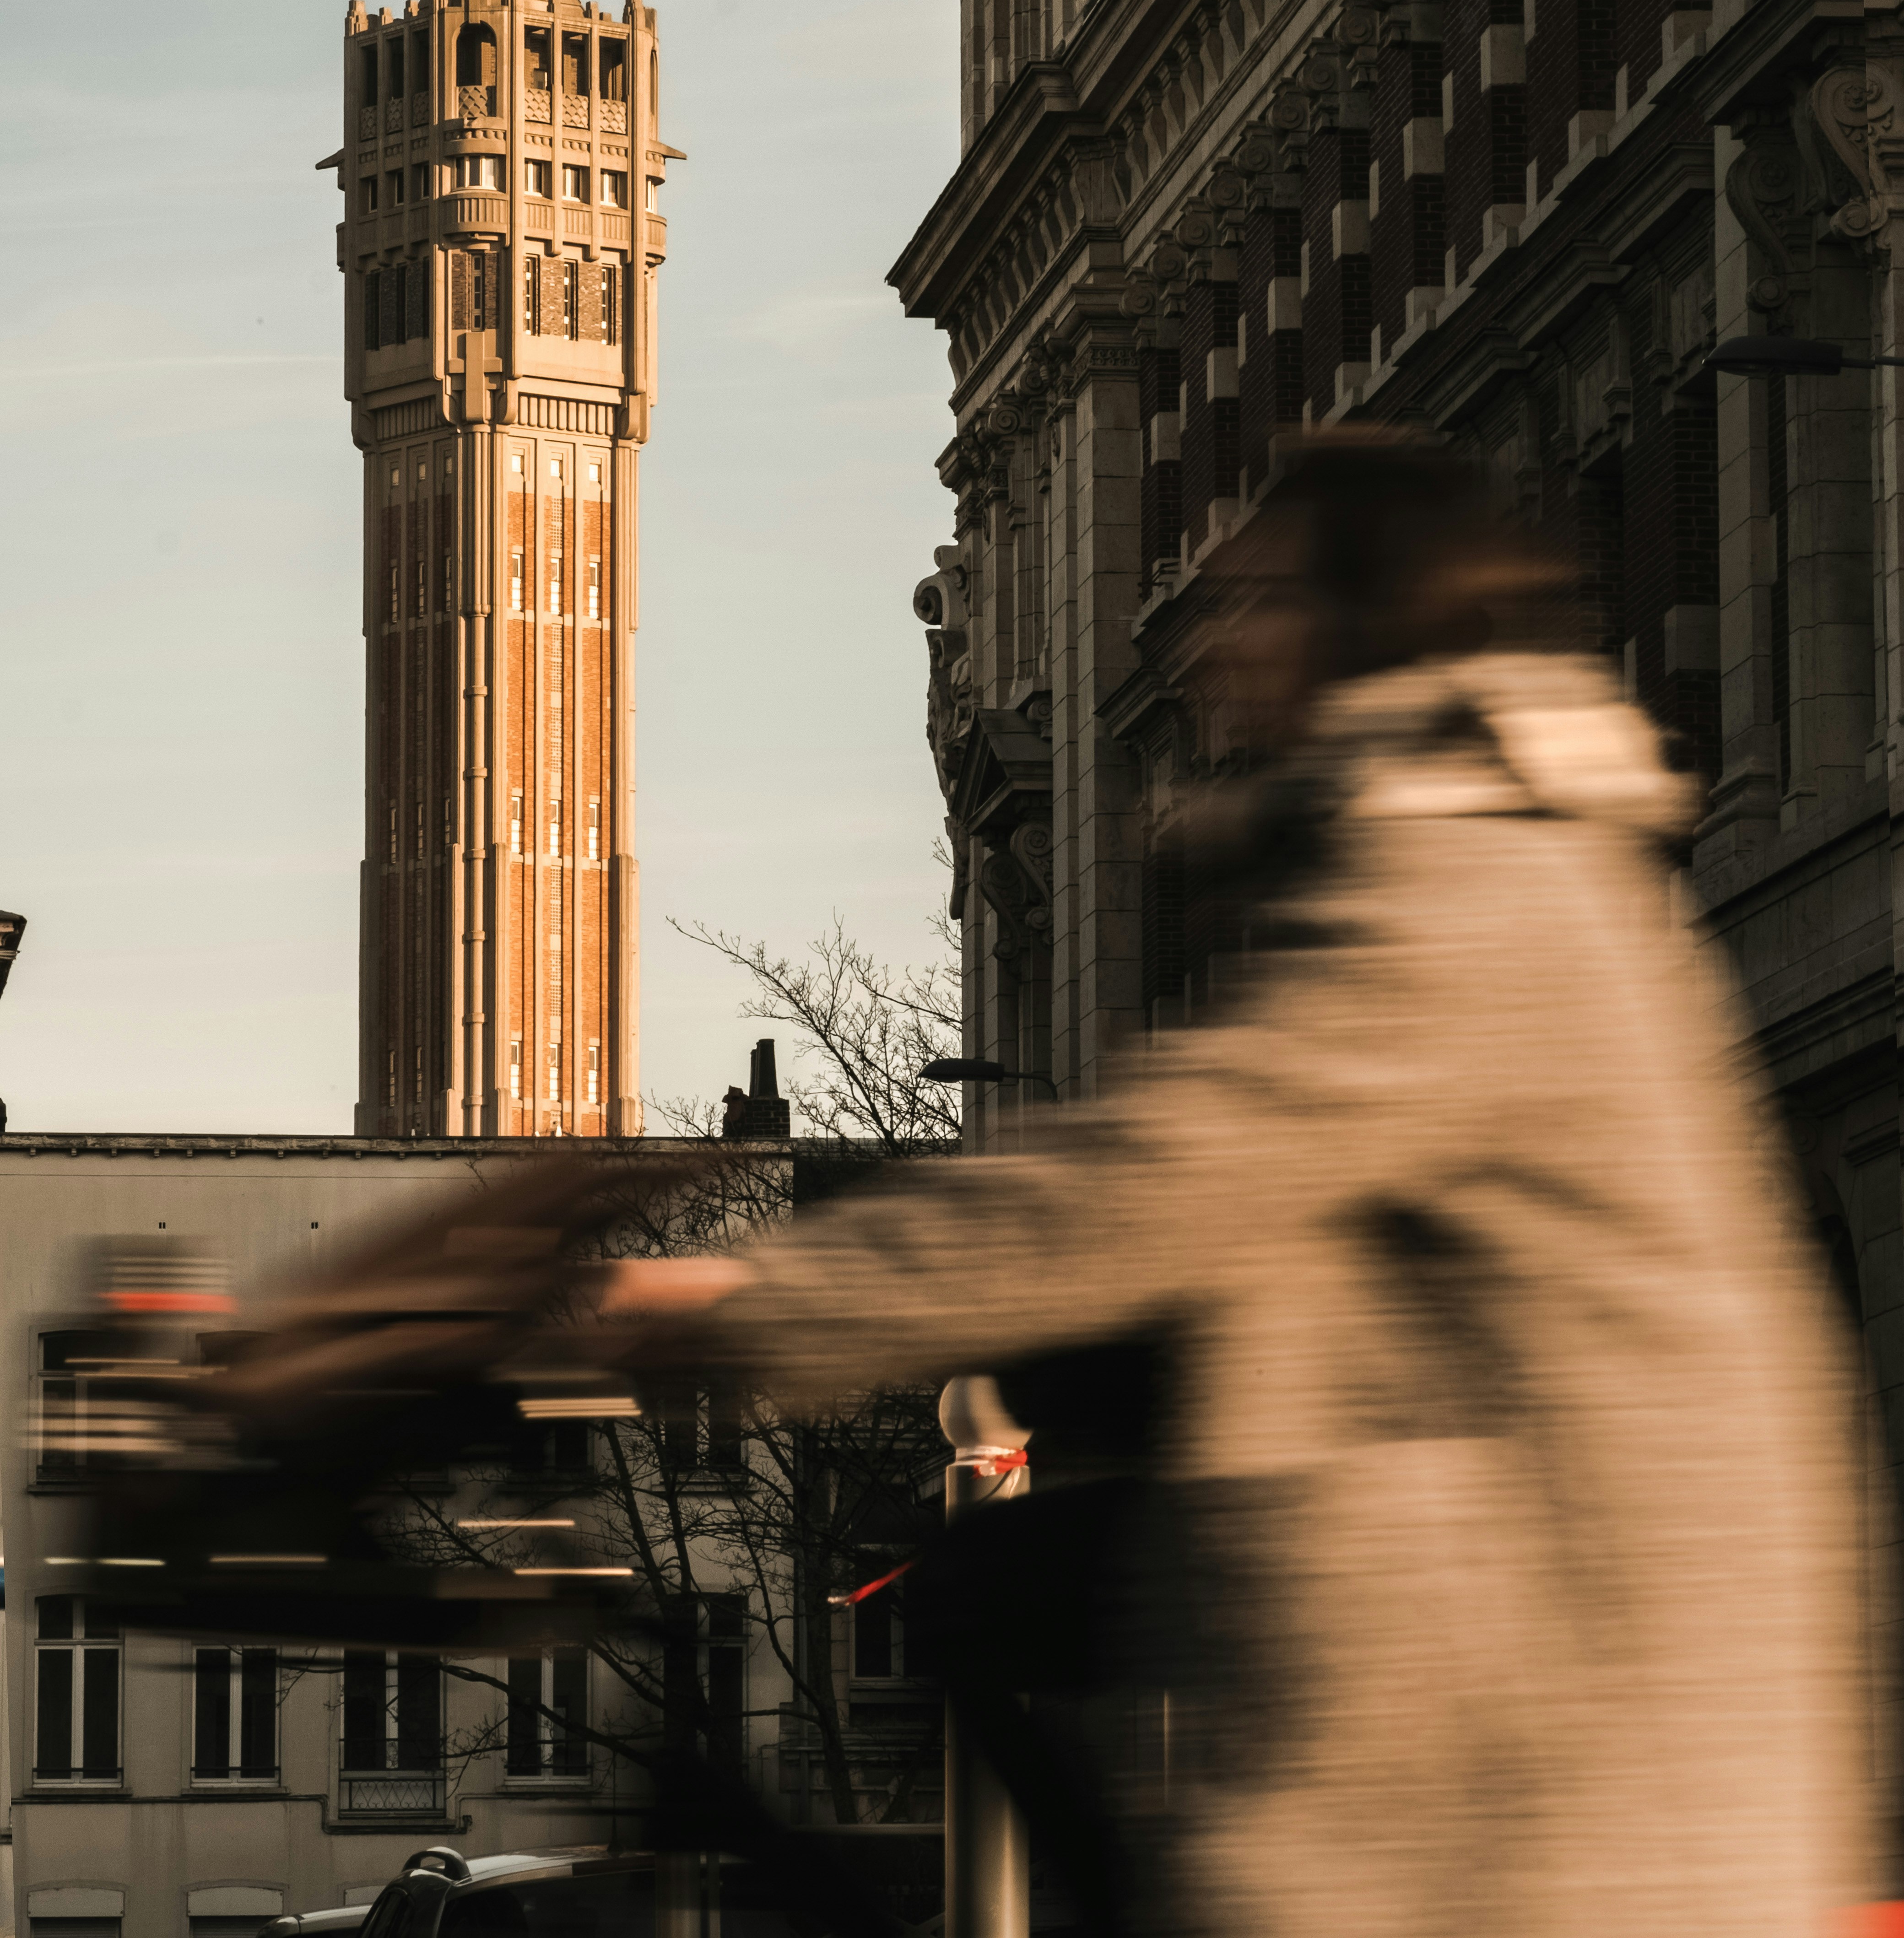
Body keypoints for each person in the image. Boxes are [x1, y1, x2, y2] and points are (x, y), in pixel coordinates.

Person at [596, 436, 1884, 1938]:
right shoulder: (1473, 853)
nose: (1211, 647)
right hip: (1498, 1682)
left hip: (1558, 1820)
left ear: (1358, 624)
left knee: (982, 1594)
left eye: (1258, 603)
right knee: (981, 1584)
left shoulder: (1482, 892)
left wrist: (748, 1296)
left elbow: (1160, 1183)